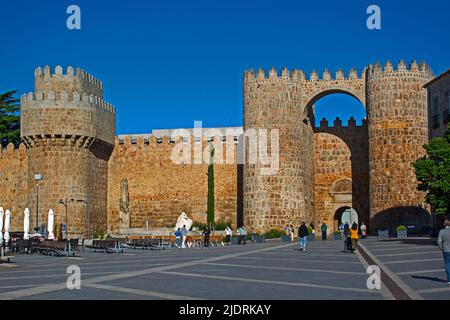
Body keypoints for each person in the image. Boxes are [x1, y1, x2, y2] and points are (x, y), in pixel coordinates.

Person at [437, 215, 450, 284]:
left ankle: (449, 279)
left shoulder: (442, 231)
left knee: (447, 264)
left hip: (446, 250)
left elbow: (439, 241)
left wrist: (441, 248)